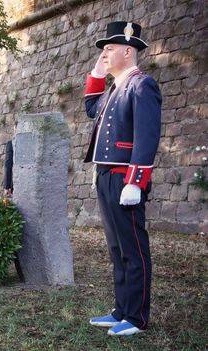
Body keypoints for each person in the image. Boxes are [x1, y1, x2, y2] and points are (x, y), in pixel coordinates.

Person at [84, 21, 161, 336]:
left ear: (128, 51)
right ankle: (121, 310)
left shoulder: (142, 84)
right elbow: (91, 108)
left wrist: (136, 180)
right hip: (105, 175)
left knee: (133, 248)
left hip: (124, 178)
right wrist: (97, 74)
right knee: (116, 248)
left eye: (110, 49)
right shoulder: (115, 87)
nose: (104, 54)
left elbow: (147, 136)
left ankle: (137, 317)